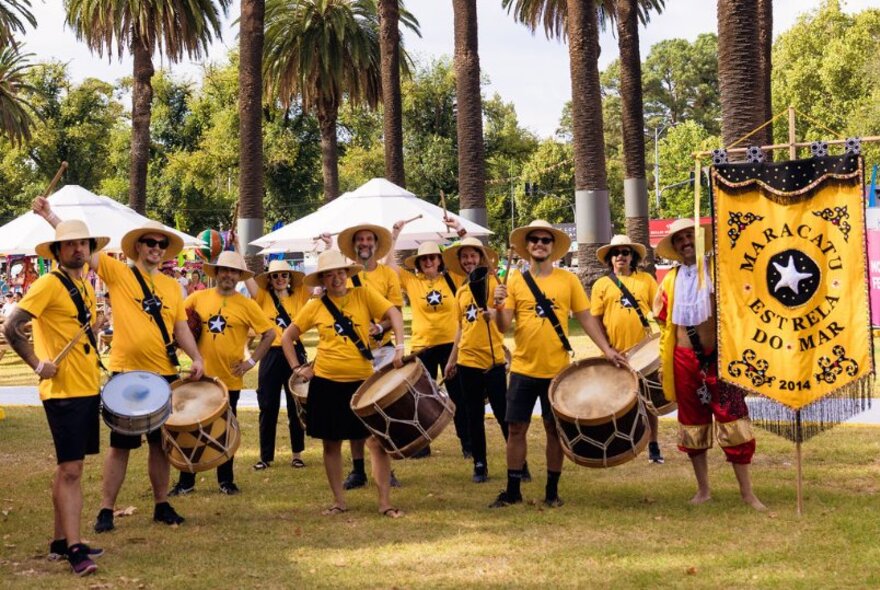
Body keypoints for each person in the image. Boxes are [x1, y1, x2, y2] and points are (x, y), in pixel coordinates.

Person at [32, 196, 205, 532]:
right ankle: (106, 509)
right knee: (120, 446)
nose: (156, 248)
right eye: (150, 243)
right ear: (138, 247)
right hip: (127, 373)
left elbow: (180, 327)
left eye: (161, 244)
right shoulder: (118, 272)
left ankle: (161, 503)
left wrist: (196, 357)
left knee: (160, 444)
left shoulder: (173, 287)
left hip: (164, 373)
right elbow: (80, 247)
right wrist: (49, 215)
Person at [490, 220, 627, 508]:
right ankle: (513, 490)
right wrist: (498, 306)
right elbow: (503, 326)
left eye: (545, 240)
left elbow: (587, 318)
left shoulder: (568, 280)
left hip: (557, 372)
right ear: (527, 247)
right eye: (534, 240)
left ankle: (552, 492)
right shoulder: (514, 280)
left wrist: (607, 350)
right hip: (523, 370)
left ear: (553, 247)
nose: (540, 244)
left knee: (555, 431)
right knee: (516, 429)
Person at [3, 220, 110, 576]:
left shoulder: (84, 284)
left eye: (83, 243)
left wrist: (93, 329)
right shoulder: (49, 283)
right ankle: (76, 550)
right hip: (63, 391)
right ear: (58, 251)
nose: (78, 249)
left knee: (68, 467)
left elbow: (75, 331)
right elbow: (12, 325)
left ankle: (59, 541)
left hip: (85, 387)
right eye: (70, 245)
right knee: (71, 471)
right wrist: (36, 363)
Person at [281, 250, 406, 517]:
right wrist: (297, 367)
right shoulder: (314, 306)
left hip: (362, 381)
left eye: (340, 272)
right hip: (326, 383)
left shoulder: (362, 295)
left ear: (347, 275)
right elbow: (286, 338)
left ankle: (385, 502)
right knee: (331, 444)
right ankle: (339, 501)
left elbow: (394, 313)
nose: (336, 278)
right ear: (323, 279)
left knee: (377, 442)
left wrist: (400, 347)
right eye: (329, 274)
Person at [653, 218, 765, 509]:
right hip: (683, 360)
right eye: (680, 240)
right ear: (675, 247)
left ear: (700, 240)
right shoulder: (670, 280)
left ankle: (747, 493)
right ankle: (703, 490)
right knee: (692, 425)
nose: (686, 243)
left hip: (719, 359)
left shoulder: (721, 270)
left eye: (690, 236)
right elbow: (663, 319)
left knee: (734, 422)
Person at [169, 251, 275, 496]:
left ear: (239, 276)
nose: (228, 274)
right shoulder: (197, 298)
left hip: (229, 380)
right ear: (216, 273)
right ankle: (186, 481)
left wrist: (251, 363)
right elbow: (178, 322)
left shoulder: (247, 305)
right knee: (190, 427)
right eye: (224, 270)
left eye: (233, 271)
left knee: (225, 429)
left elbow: (269, 334)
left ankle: (226, 480)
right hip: (199, 376)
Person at [386, 218, 472, 459]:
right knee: (420, 399)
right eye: (424, 259)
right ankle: (421, 446)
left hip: (451, 347)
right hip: (423, 348)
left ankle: (468, 444)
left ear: (440, 260)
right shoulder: (412, 281)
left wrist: (460, 230)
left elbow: (473, 258)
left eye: (433, 257)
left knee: (459, 397)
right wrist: (394, 235)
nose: (428, 262)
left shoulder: (453, 278)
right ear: (419, 263)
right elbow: (388, 265)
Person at [334, 223, 404, 489]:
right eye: (360, 240)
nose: (364, 243)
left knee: (381, 409)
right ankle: (358, 470)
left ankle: (387, 468)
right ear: (354, 246)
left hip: (384, 349)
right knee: (356, 409)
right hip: (353, 352)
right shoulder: (345, 275)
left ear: (376, 244)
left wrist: (381, 327)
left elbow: (395, 310)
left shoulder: (388, 274)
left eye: (368, 239)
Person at [591, 235, 664, 463]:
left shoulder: (646, 280)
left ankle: (653, 445)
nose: (620, 256)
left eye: (625, 252)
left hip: (644, 352)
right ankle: (626, 443)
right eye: (616, 253)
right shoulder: (601, 285)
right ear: (610, 259)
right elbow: (595, 320)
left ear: (633, 257)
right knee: (620, 402)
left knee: (649, 401)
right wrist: (607, 348)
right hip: (615, 353)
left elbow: (660, 310)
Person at [443, 237, 509, 483]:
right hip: (467, 362)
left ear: (481, 258)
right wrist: (452, 359)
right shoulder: (460, 291)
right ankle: (480, 464)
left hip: (493, 361)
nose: (469, 260)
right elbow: (460, 328)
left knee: (504, 415)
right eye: (465, 257)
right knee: (473, 416)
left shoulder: (495, 285)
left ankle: (519, 462)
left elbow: (505, 320)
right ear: (460, 262)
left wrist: (498, 307)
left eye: (473, 256)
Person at [245, 259, 311, 470]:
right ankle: (265, 457)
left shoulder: (299, 294)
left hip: (294, 352)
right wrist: (237, 248)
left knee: (296, 405)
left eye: (284, 275)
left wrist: (323, 248)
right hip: (271, 353)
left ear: (290, 278)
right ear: (270, 280)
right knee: (267, 405)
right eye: (275, 276)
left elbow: (314, 276)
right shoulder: (263, 296)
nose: (280, 279)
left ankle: (297, 454)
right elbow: (247, 278)